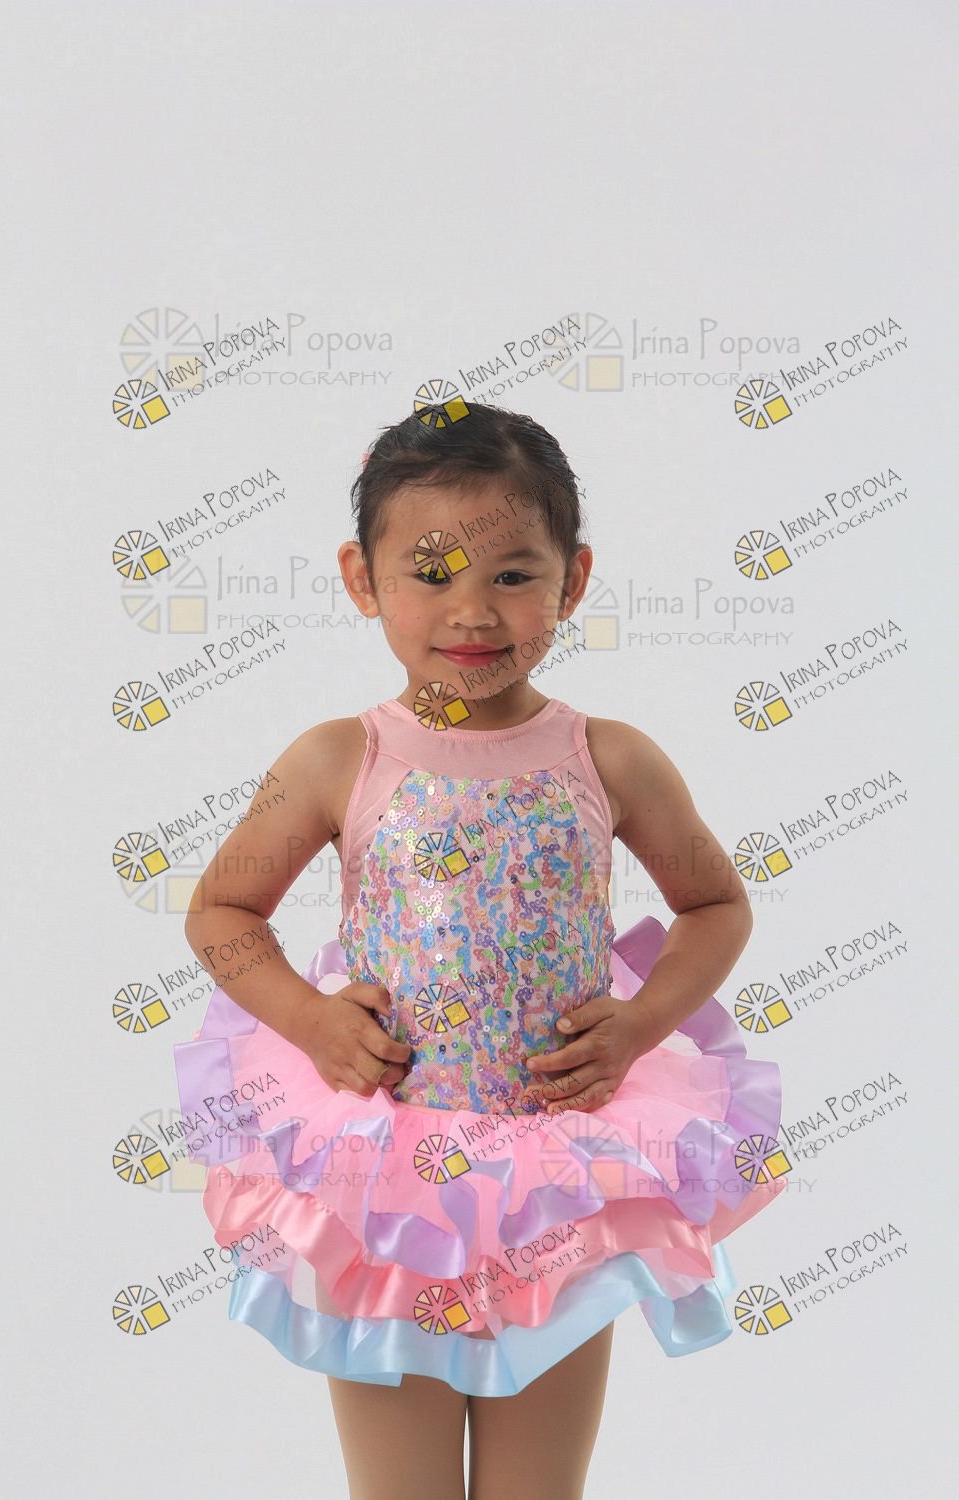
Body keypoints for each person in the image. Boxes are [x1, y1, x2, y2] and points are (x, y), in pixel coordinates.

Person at [174, 403, 787, 1500]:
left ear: (574, 579)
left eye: (513, 575)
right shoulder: (337, 760)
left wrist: (640, 1026)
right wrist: (311, 1022)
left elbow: (715, 904)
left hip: (558, 1177)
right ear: (362, 579)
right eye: (430, 573)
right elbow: (221, 911)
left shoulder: (609, 759)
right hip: (387, 1182)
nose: (472, 609)